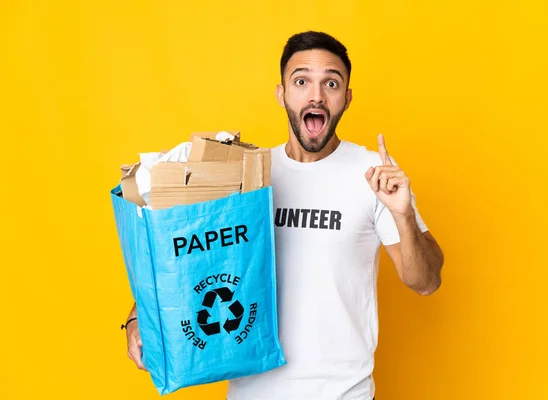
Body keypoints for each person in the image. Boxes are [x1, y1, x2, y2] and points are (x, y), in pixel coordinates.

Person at [124, 31, 444, 400]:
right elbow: (183, 255)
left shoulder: (374, 174)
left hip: (344, 393)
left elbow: (425, 281)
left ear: (347, 98)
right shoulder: (248, 173)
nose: (316, 95)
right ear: (282, 94)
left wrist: (403, 216)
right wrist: (137, 318)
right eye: (302, 81)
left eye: (331, 83)